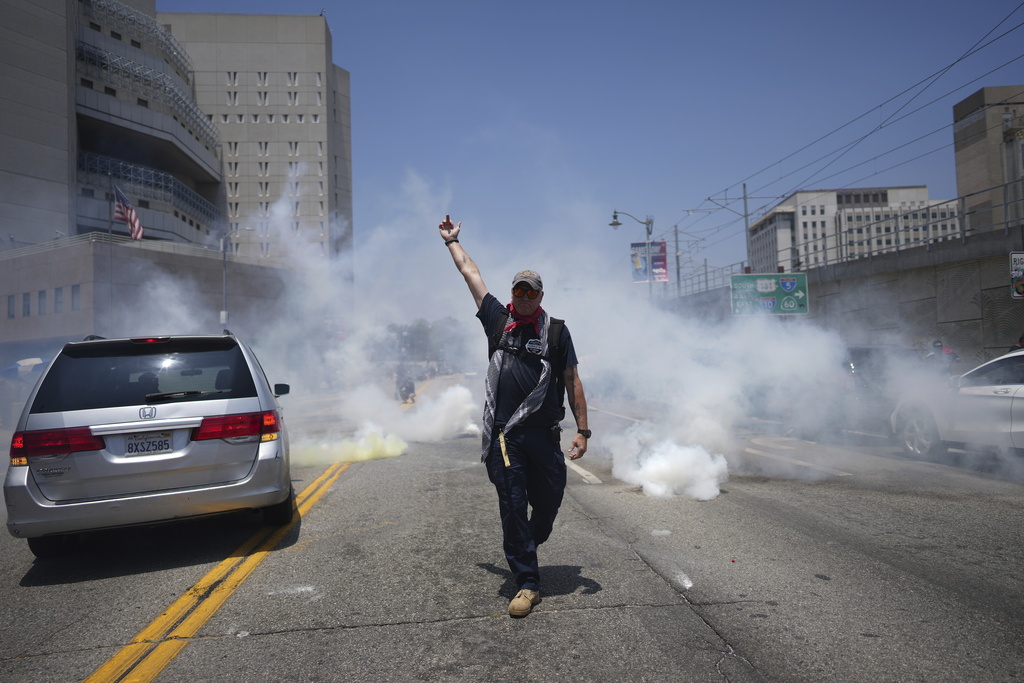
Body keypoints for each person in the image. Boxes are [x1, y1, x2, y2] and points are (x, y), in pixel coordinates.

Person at [439, 214, 590, 618]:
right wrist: (452, 242)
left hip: (543, 435)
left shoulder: (556, 332)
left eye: (531, 292)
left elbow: (572, 380)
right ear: (512, 293)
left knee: (549, 500)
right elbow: (470, 273)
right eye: (518, 290)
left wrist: (583, 430)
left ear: (541, 297)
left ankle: (530, 539)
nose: (524, 296)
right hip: (505, 437)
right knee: (512, 504)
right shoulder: (498, 320)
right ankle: (528, 582)